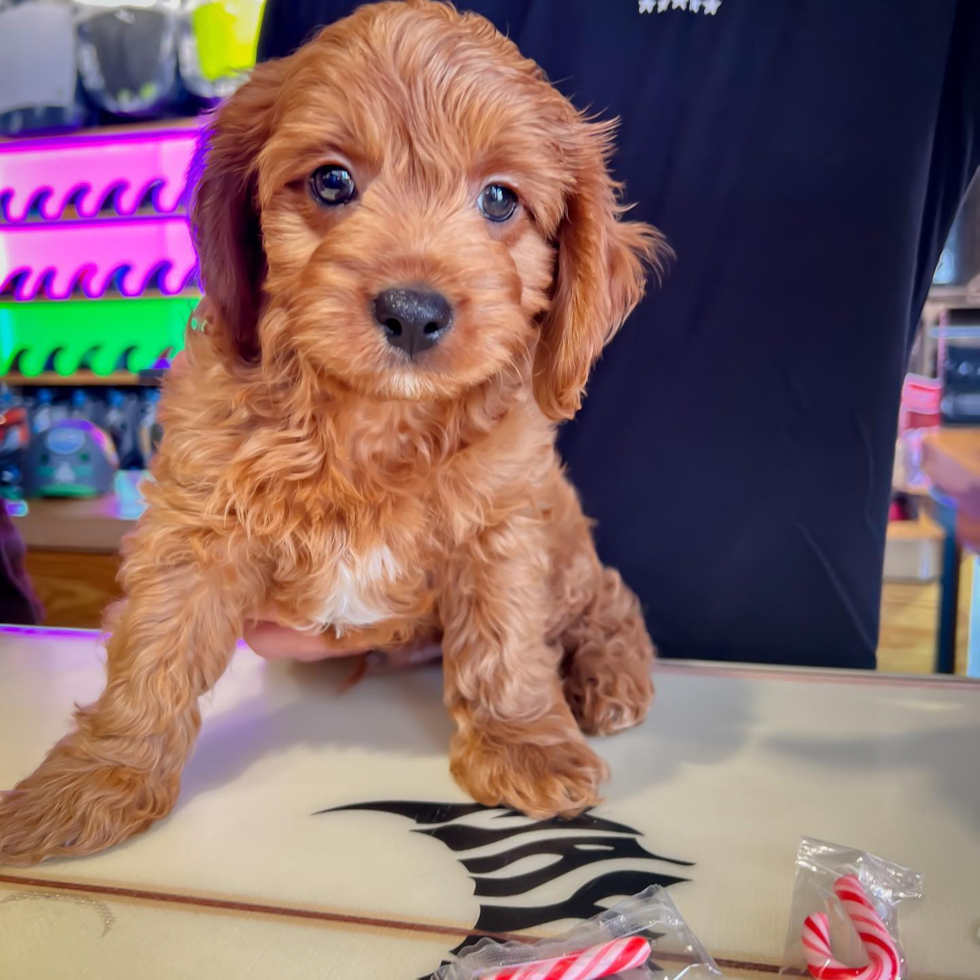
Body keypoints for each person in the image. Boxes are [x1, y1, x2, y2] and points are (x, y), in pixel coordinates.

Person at [242, 0, 980, 668]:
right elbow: (257, 255)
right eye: (341, 184)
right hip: (374, 661)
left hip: (787, 661)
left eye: (498, 201)